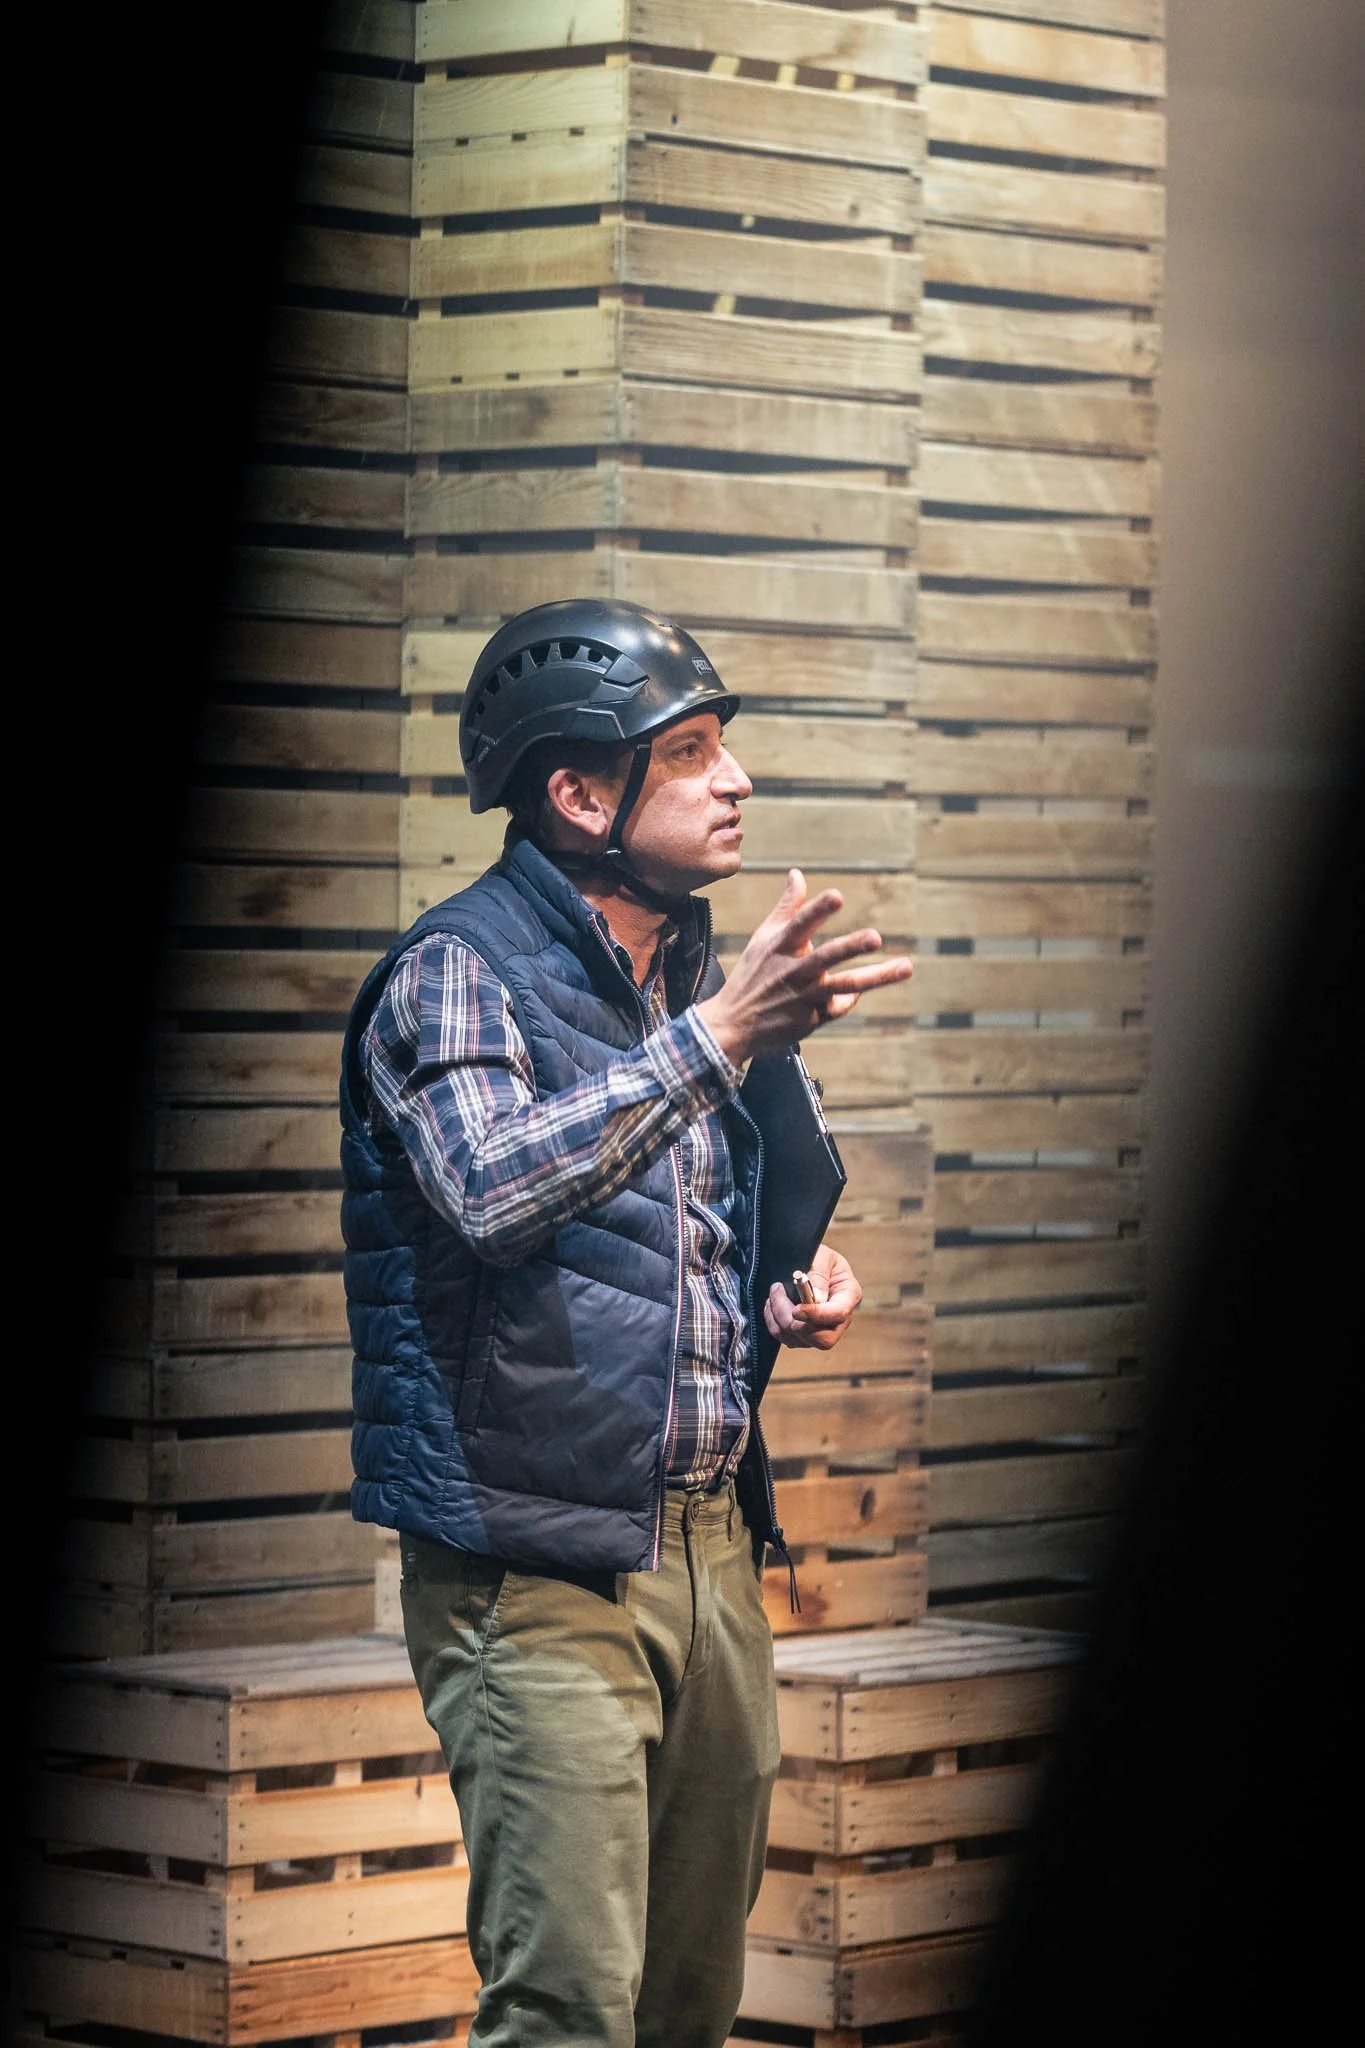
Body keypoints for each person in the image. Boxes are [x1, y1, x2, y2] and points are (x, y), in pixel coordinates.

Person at [339, 598, 914, 2048]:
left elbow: (669, 1229)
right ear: (580, 796)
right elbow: (491, 1189)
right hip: (534, 1565)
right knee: (568, 2008)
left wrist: (786, 1280)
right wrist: (719, 1041)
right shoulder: (456, 970)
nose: (737, 781)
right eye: (693, 752)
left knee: (687, 1999)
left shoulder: (691, 977)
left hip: (711, 1545)